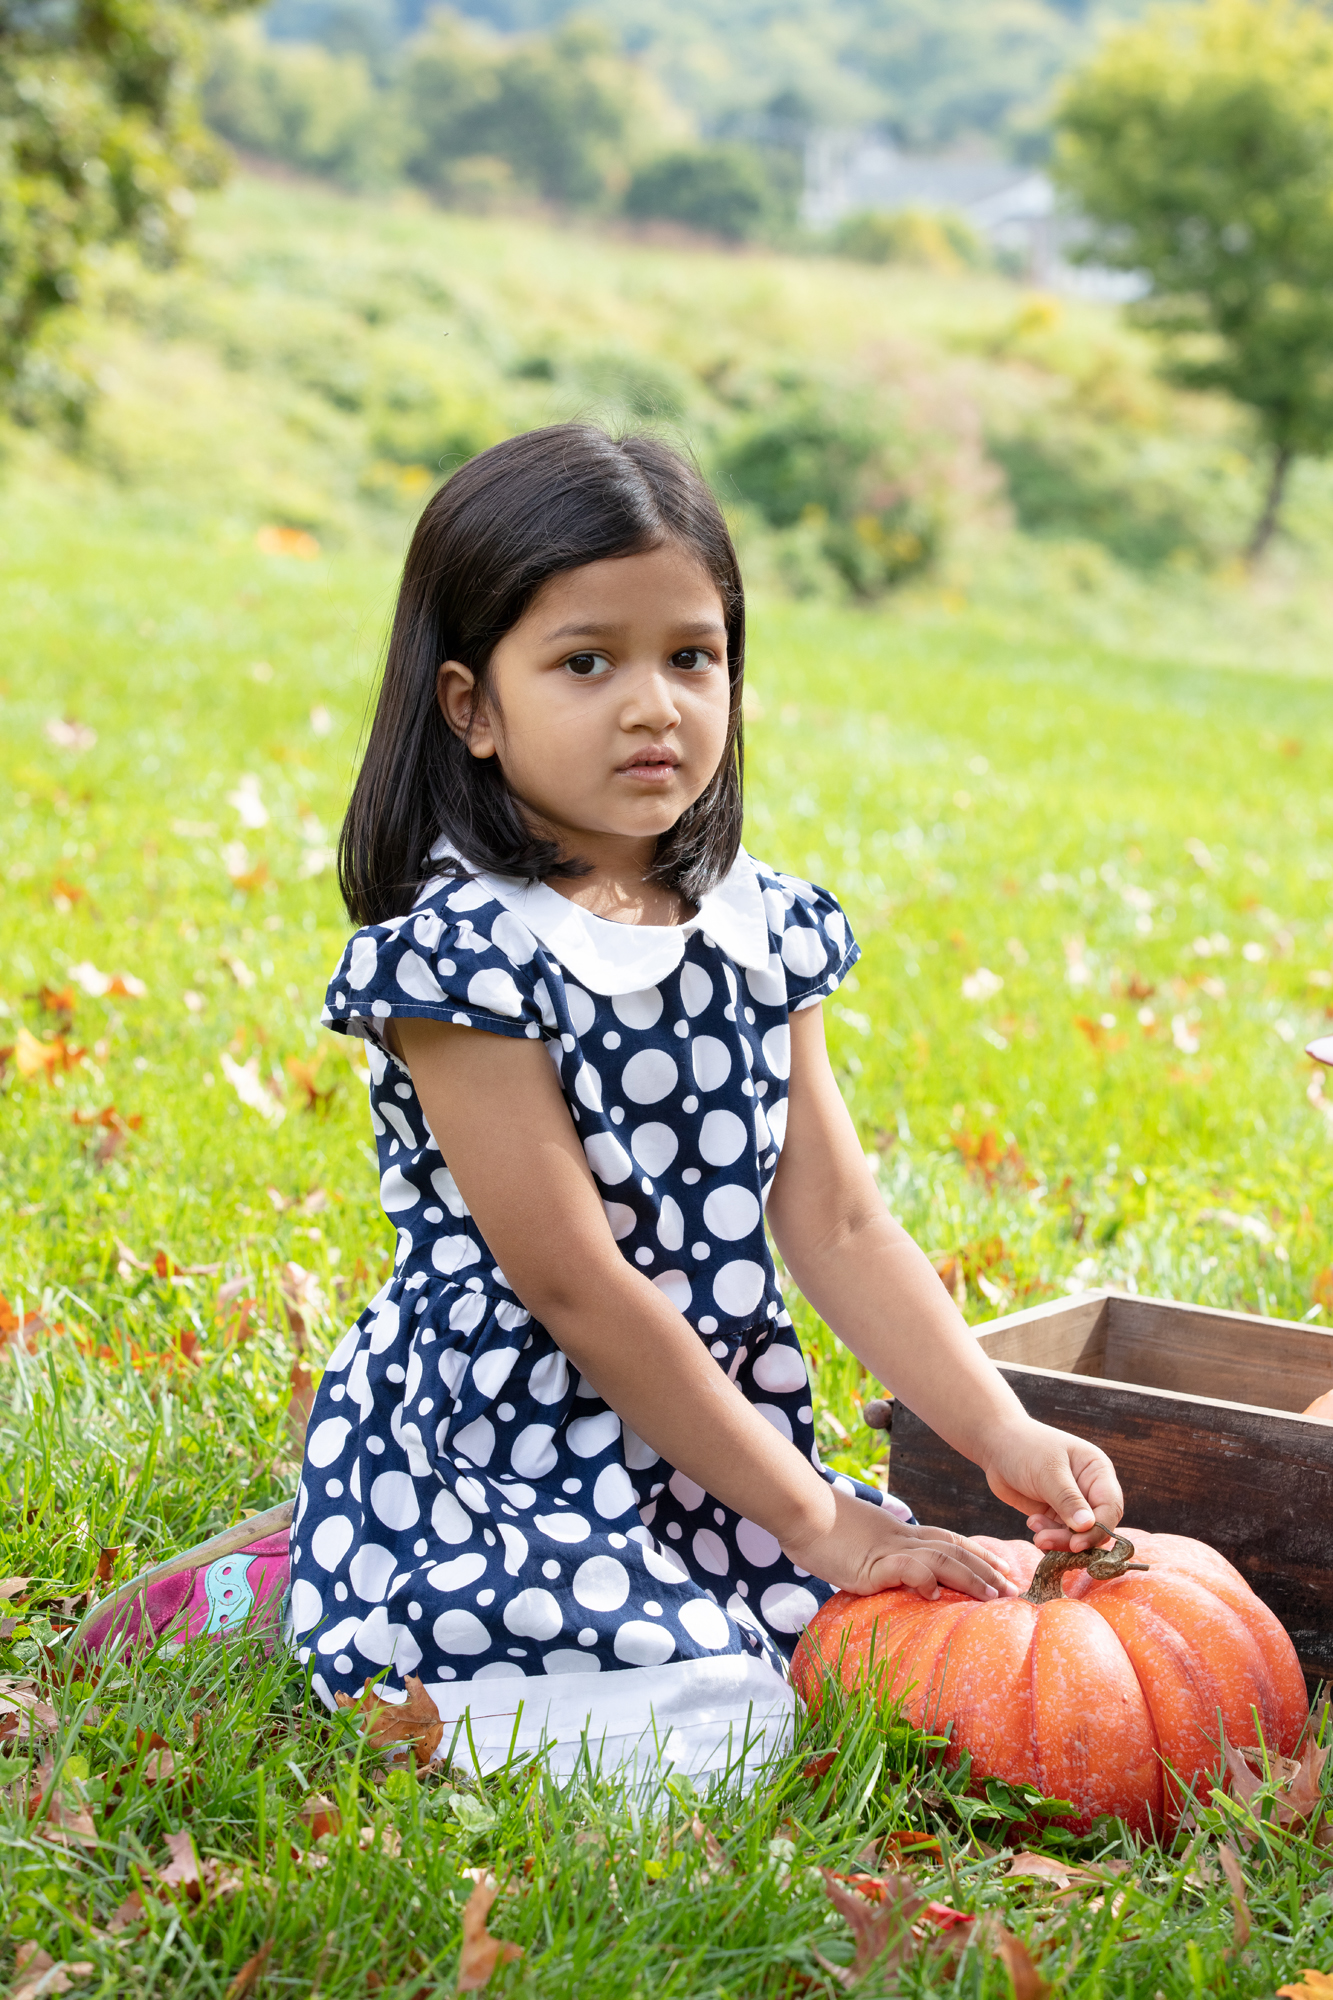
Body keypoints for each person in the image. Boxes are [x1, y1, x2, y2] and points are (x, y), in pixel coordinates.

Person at [285, 424, 1123, 1781]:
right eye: (586, 662)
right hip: (508, 1451)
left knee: (883, 1675)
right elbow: (580, 1291)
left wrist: (1000, 1429)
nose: (653, 706)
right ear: (471, 707)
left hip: (716, 1450)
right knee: (708, 1738)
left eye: (692, 656)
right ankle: (318, 1567)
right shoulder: (463, 960)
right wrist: (820, 1523)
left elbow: (840, 1224)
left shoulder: (759, 927)